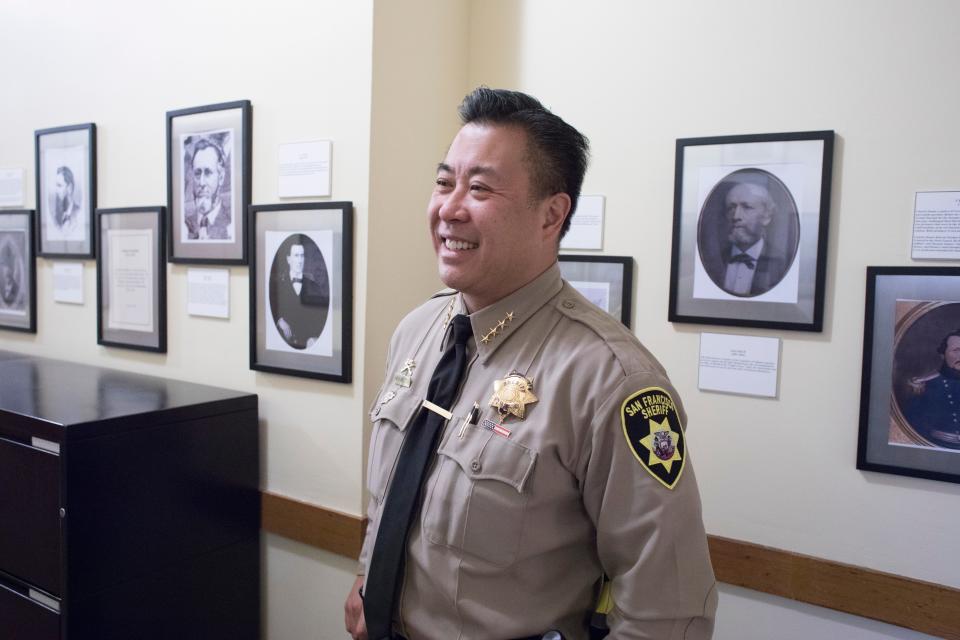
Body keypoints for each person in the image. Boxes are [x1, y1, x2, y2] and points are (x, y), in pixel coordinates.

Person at [345, 87, 716, 640]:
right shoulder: (415, 333)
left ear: (551, 214)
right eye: (445, 182)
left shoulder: (609, 379)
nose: (449, 208)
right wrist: (366, 577)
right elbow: (392, 499)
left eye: (479, 188)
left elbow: (669, 607)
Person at [702, 180, 789, 297]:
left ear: (767, 217)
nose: (736, 216)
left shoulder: (781, 264)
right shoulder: (712, 261)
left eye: (747, 207)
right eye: (731, 208)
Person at [902, 329, 960, 449]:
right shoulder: (925, 385)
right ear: (942, 355)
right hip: (938, 447)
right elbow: (913, 426)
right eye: (956, 350)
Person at [269, 237, 329, 350]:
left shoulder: (314, 286)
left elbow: (322, 316)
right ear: (288, 259)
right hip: (284, 345)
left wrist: (314, 338)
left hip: (308, 343)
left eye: (302, 256)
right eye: (296, 256)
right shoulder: (278, 285)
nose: (300, 260)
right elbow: (269, 309)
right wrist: (279, 320)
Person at [184, 138, 232, 240]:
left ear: (221, 177)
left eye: (208, 173)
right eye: (197, 173)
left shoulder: (231, 224)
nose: (201, 183)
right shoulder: (185, 225)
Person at [52, 166, 81, 233]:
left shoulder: (79, 214)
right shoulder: (56, 216)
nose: (56, 190)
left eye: (59, 185)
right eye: (56, 185)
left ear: (69, 188)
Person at [0, 239, 22, 310]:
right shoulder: (1, 287)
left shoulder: (16, 288)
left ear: (12, 270)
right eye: (3, 267)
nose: (5, 271)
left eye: (8, 267)